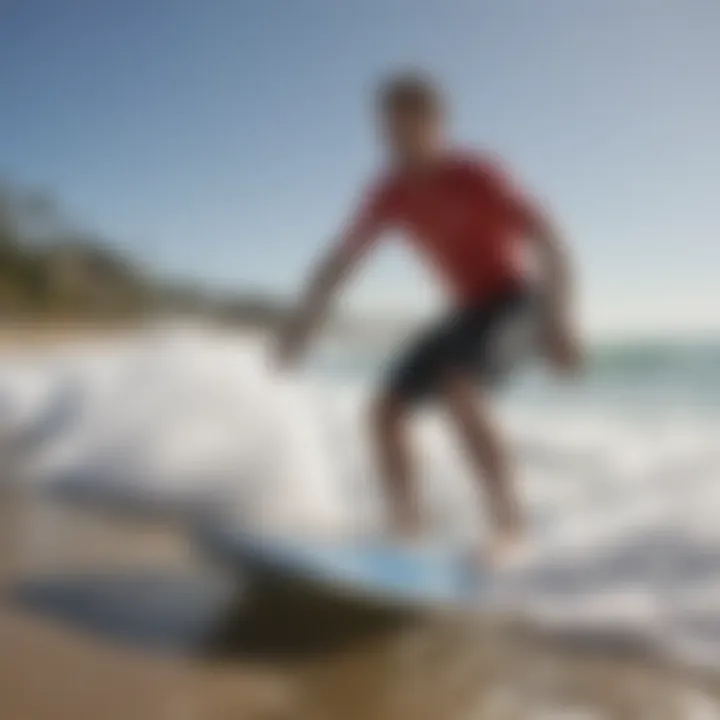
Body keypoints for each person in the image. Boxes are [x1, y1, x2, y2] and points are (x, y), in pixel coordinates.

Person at [275, 72, 581, 564]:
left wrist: (563, 319)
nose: (395, 143)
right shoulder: (389, 192)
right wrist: (300, 328)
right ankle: (406, 527)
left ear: (437, 125)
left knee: (460, 384)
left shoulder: (480, 175)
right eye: (388, 132)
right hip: (467, 312)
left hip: (518, 303)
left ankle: (511, 527)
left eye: (407, 130)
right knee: (383, 410)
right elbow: (339, 263)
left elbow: (550, 240)